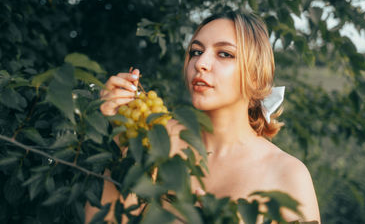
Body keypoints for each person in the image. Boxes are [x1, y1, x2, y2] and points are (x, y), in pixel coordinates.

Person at [86, 11, 320, 223]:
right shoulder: (157, 138)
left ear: (256, 76)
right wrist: (118, 133)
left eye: (225, 54)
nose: (201, 63)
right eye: (196, 52)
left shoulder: (287, 174)